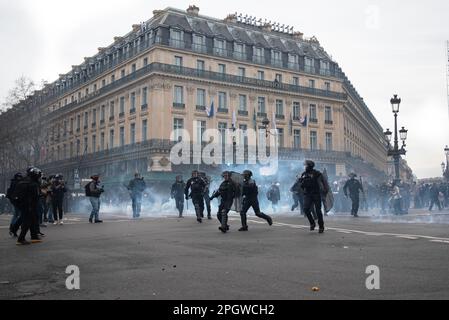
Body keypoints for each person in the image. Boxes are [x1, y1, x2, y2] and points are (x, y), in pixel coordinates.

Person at [14, 167, 43, 245]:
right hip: (29, 205)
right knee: (27, 222)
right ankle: (21, 239)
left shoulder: (23, 181)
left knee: (33, 220)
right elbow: (36, 196)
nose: (39, 176)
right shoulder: (33, 184)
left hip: (23, 205)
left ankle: (34, 236)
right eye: (38, 175)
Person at [299, 160, 327, 233]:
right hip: (307, 194)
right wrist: (301, 182)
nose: (305, 167)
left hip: (316, 193)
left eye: (306, 165)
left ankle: (321, 226)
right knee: (305, 209)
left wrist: (325, 190)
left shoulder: (317, 173)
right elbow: (301, 184)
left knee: (318, 211)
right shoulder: (303, 174)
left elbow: (324, 182)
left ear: (310, 165)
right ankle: (312, 223)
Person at [6, 172, 23, 238]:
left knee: (16, 214)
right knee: (19, 215)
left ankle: (12, 227)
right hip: (16, 201)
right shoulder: (16, 183)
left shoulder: (13, 182)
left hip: (14, 200)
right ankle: (13, 228)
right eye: (19, 177)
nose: (19, 178)